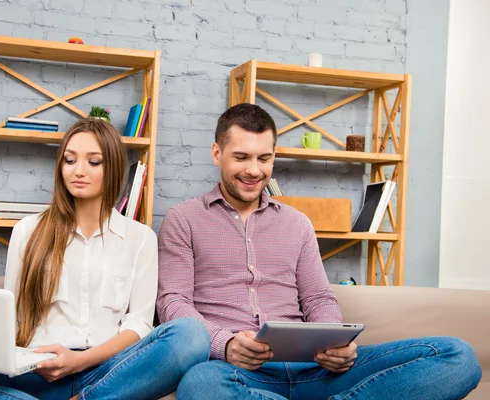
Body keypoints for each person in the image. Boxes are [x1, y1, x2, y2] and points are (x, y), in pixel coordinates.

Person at [156, 103, 482, 400]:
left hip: (315, 370)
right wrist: (224, 344)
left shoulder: (296, 224)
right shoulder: (184, 220)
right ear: (217, 153)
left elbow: (317, 298)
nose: (254, 170)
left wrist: (333, 342)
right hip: (234, 371)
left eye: (264, 158)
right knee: (200, 387)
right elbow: (173, 302)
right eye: (241, 157)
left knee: (457, 356)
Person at [0, 118, 210, 400]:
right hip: (36, 370)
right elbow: (12, 317)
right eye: (70, 160)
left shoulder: (140, 238)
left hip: (108, 374)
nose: (78, 171)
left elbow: (139, 326)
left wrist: (80, 361)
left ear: (114, 168)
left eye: (94, 162)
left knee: (192, 335)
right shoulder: (28, 231)